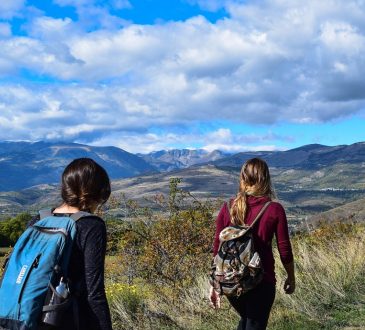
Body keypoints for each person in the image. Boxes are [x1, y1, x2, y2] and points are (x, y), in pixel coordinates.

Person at [209, 158, 295, 330]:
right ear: (265, 178)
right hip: (261, 281)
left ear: (243, 178)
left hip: (232, 282)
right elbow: (284, 250)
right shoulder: (274, 209)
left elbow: (217, 249)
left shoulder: (227, 207)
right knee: (253, 324)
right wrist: (291, 277)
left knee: (247, 322)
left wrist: (214, 284)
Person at [29, 158, 113, 330]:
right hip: (69, 320)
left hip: (28, 317)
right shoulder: (91, 226)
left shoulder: (38, 220)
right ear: (97, 193)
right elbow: (94, 292)